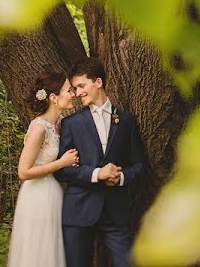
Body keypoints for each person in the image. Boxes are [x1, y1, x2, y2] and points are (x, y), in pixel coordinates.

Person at [54, 58, 146, 267]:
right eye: (75, 88)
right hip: (78, 213)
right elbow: (62, 171)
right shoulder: (71, 124)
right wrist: (97, 174)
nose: (77, 93)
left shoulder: (126, 121)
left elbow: (139, 164)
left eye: (81, 86)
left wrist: (121, 177)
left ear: (98, 82)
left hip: (115, 214)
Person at [8, 71, 80, 267]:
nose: (73, 93)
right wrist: (61, 163)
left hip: (54, 192)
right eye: (68, 90)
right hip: (37, 195)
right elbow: (23, 172)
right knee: (38, 250)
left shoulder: (57, 126)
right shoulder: (39, 128)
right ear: (53, 98)